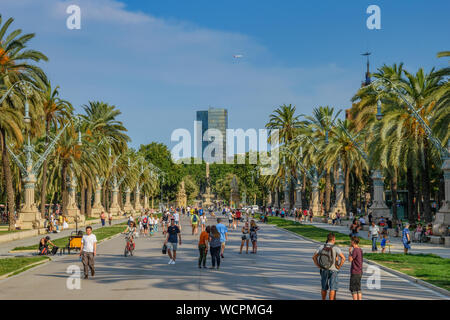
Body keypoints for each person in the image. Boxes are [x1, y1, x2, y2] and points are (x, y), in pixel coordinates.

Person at [312, 233, 346, 300]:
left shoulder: (321, 247)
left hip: (324, 269)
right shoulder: (336, 248)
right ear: (333, 239)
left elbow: (314, 257)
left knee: (324, 287)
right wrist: (339, 266)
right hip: (334, 270)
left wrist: (318, 265)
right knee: (332, 288)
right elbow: (343, 258)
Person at [348, 236, 363, 300]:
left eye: (351, 241)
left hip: (355, 271)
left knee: (353, 289)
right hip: (359, 271)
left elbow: (350, 259)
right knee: (358, 288)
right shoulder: (360, 249)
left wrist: (349, 252)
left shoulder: (355, 250)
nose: (350, 242)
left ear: (353, 242)